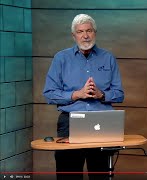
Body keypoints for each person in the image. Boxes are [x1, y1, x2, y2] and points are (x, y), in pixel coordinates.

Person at [43, 14, 124, 180]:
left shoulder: (108, 58)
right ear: (74, 35)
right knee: (68, 174)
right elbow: (49, 94)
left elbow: (119, 94)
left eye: (89, 31)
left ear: (95, 33)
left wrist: (102, 95)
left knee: (101, 174)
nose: (85, 35)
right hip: (70, 122)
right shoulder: (61, 58)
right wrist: (76, 94)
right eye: (80, 32)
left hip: (102, 123)